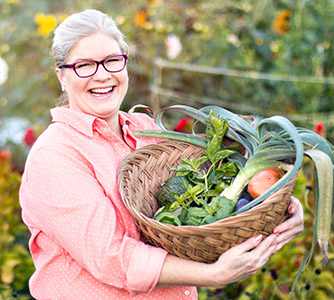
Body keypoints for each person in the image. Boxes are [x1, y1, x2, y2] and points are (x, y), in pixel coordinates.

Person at [19, 9, 304, 300]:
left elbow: (212, 198)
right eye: (84, 66)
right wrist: (214, 274)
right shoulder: (55, 156)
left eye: (112, 61)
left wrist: (276, 206)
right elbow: (111, 256)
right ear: (62, 77)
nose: (102, 74)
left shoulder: (145, 130)